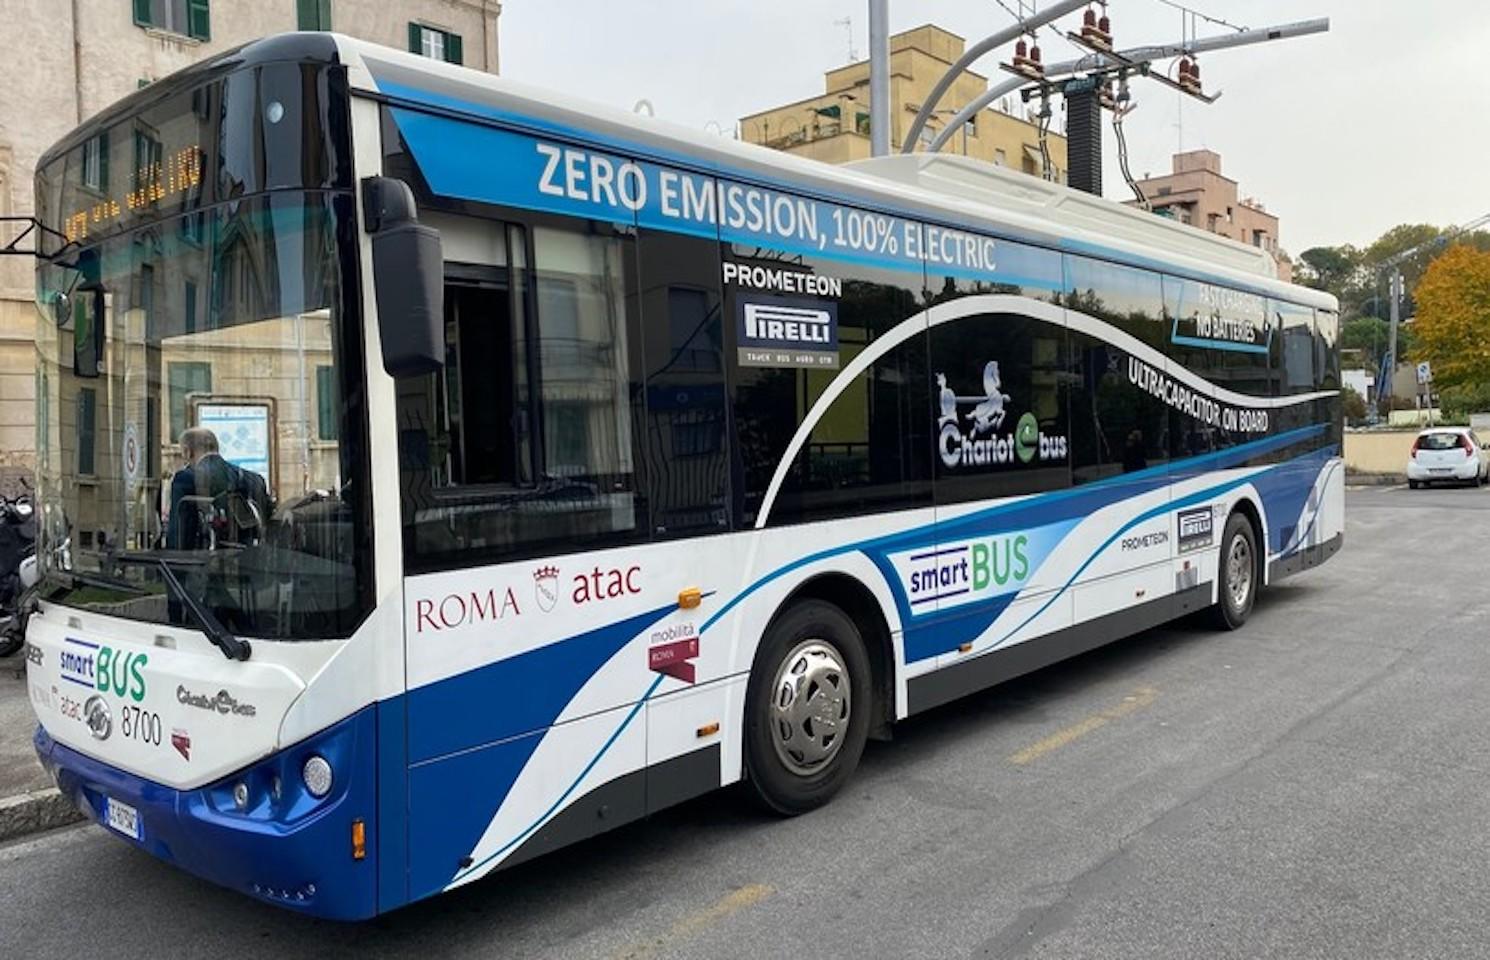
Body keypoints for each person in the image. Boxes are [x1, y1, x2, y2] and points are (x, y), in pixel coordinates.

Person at [166, 428, 271, 549]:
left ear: (187, 452)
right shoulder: (254, 479)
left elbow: (178, 534)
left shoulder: (185, 479)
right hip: (248, 561)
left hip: (203, 562)